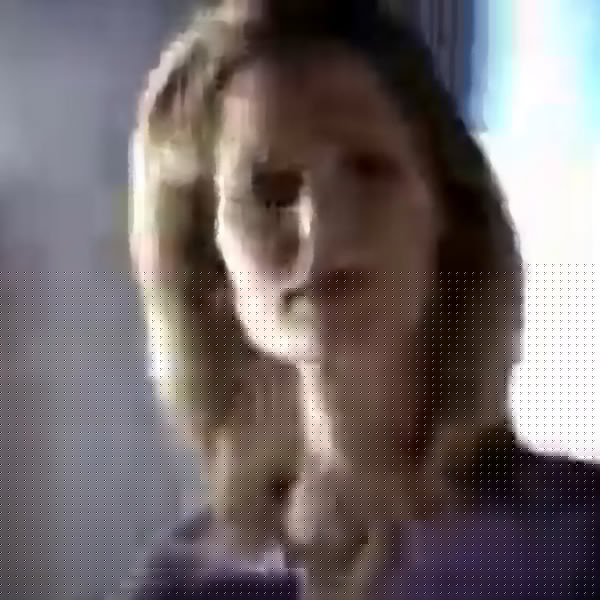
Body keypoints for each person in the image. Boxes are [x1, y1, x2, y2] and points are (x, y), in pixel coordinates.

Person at [116, 1, 600, 598]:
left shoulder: (578, 550)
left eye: (369, 171)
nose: (322, 227)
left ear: (448, 220)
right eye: (269, 190)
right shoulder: (189, 585)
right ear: (211, 264)